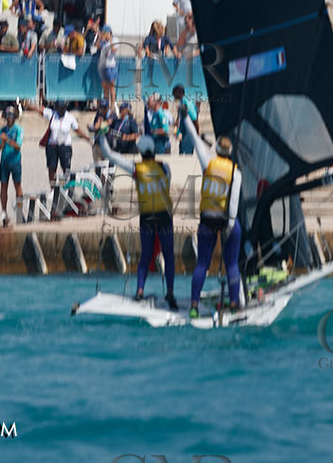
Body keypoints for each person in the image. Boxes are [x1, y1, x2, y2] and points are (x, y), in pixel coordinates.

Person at [101, 133, 177, 309]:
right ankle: (170, 293)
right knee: (169, 256)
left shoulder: (135, 168)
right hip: (164, 216)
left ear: (141, 152)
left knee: (145, 255)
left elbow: (110, 154)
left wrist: (101, 136)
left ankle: (139, 292)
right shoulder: (165, 167)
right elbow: (167, 183)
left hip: (147, 217)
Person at [180, 112, 243, 318]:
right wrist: (231, 225)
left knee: (202, 265)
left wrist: (185, 117)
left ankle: (194, 306)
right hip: (226, 221)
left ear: (216, 149)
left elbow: (195, 138)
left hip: (207, 220)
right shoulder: (236, 171)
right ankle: (234, 304)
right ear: (231, 152)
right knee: (232, 264)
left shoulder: (208, 161)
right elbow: (233, 202)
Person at [0, 104, 24, 225]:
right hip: (4, 161)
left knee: (17, 185)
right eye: (7, 115)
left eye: (11, 115)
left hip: (15, 161)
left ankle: (19, 210)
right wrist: (2, 141)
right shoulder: (2, 130)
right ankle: (4, 211)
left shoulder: (18, 129)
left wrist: (7, 139)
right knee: (3, 185)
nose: (9, 117)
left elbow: (18, 146)